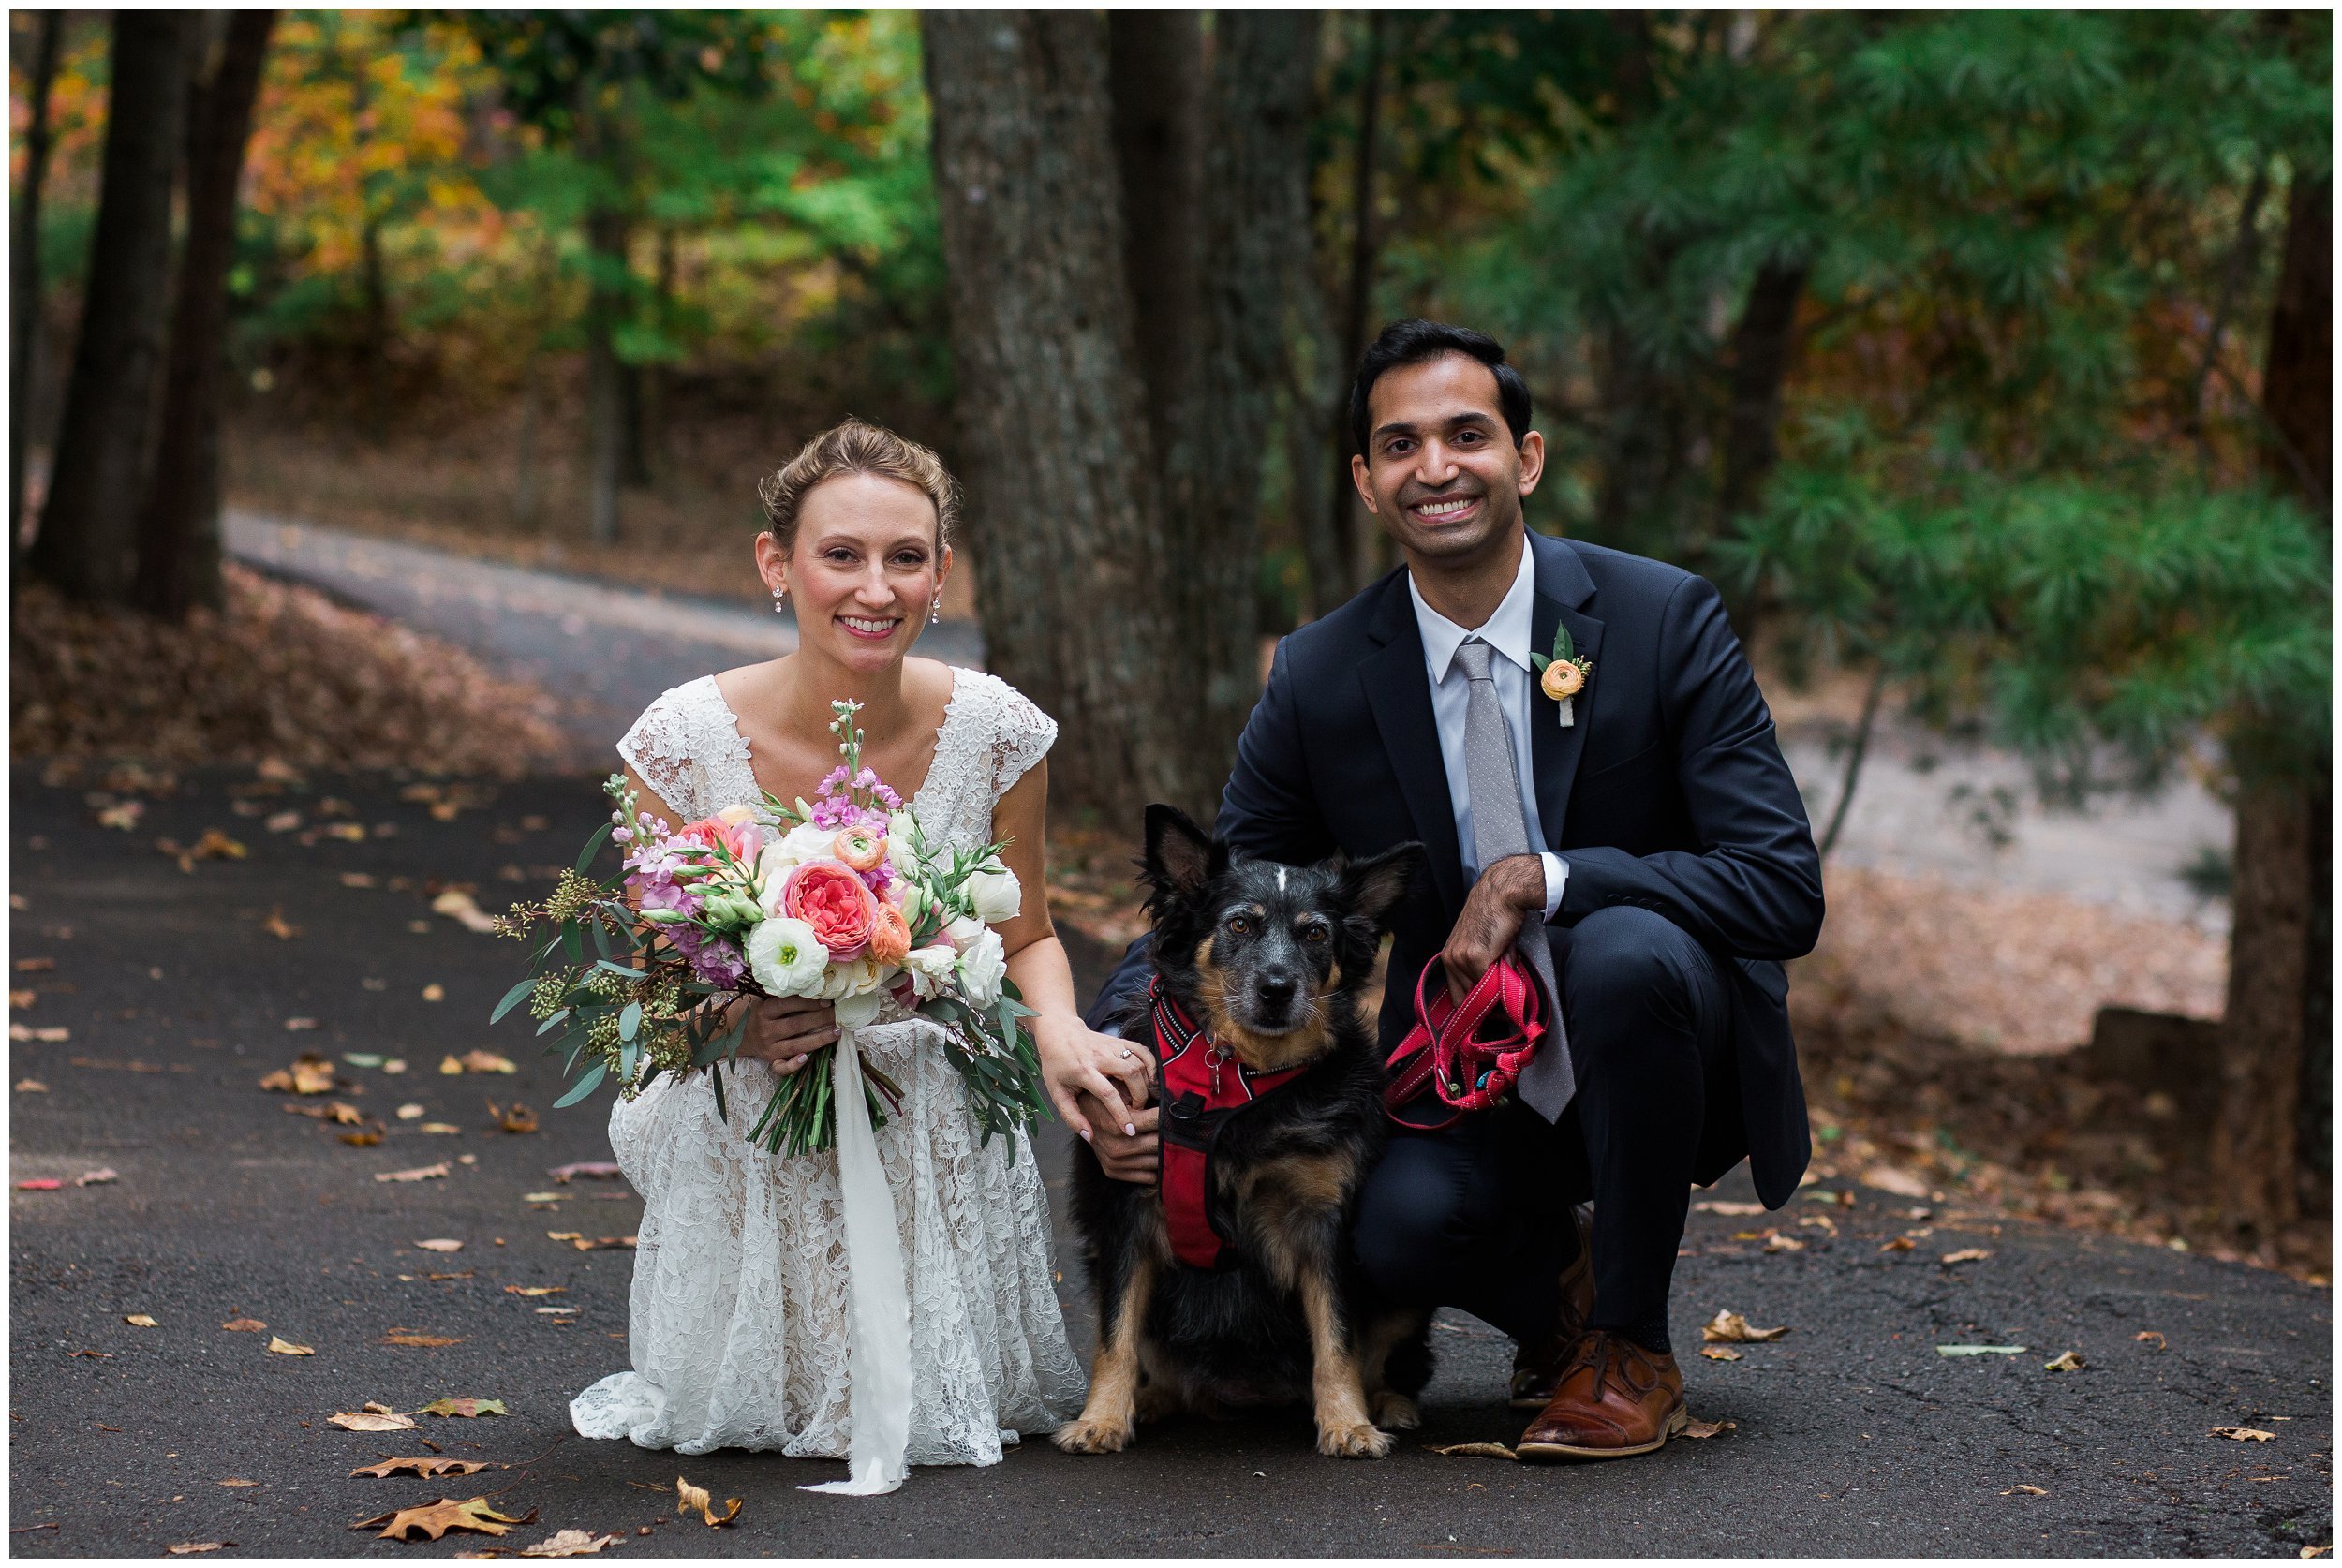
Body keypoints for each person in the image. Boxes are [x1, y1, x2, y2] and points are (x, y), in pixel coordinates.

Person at [1084, 320, 1825, 1460]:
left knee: (1622, 952)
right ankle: (1559, 1304)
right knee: (1386, 1235)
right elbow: (1218, 894)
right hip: (1456, 1076)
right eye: (1400, 444)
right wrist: (1124, 1055)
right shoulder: (1323, 673)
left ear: (1524, 458)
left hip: (1662, 1048)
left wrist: (1543, 879)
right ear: (1366, 483)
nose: (1436, 467)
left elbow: (1780, 889)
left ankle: (1630, 1349)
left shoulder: (1661, 617)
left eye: (1466, 435)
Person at [570, 418, 1145, 1472]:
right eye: (841, 554)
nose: (874, 588)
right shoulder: (680, 742)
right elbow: (653, 993)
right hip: (754, 1099)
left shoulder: (999, 732)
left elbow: (1029, 934)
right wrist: (742, 1023)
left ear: (942, 576)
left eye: (905, 558)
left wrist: (1059, 1029)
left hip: (926, 1090)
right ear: (776, 563)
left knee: (925, 1054)